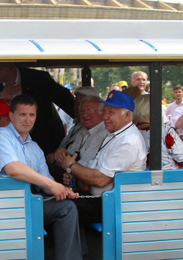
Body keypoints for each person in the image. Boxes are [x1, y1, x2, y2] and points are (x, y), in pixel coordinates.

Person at [0, 94, 94, 260]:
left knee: (68, 205)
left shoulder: (34, 147)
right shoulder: (0, 136)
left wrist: (62, 190)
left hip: (28, 203)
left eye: (32, 115)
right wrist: (51, 185)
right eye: (22, 115)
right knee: (66, 209)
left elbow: (44, 182)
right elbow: (13, 169)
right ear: (11, 116)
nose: (27, 120)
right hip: (3, 205)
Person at [60, 90, 147, 225]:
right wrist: (75, 178)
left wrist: (71, 167)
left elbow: (100, 179)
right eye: (104, 111)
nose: (105, 116)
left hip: (112, 205)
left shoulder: (128, 141)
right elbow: (93, 166)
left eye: (111, 112)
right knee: (57, 199)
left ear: (127, 115)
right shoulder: (114, 135)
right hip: (99, 199)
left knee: (60, 207)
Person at [0, 63, 75, 155]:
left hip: (46, 138)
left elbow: (67, 101)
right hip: (10, 140)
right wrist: (1, 95)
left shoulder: (38, 79)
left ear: (5, 70)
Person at [136, 94, 183, 169]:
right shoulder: (166, 131)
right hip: (170, 177)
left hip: (141, 177)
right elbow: (181, 157)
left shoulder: (133, 132)